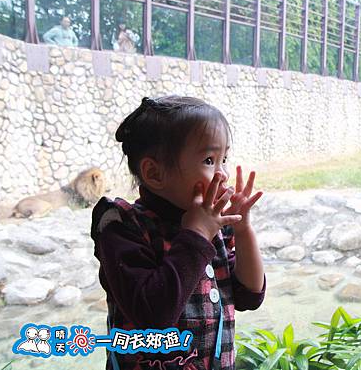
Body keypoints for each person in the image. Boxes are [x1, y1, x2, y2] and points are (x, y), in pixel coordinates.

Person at [90, 95, 266, 370]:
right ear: (155, 173)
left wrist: (244, 231)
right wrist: (196, 233)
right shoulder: (122, 227)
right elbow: (152, 316)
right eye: (209, 160)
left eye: (224, 159)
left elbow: (250, 296)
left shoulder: (215, 228)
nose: (223, 174)